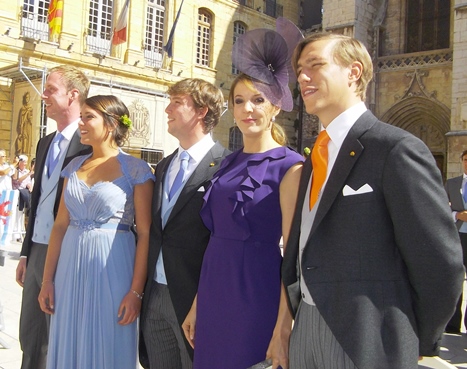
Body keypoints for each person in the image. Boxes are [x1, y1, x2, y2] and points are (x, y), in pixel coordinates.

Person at [281, 32, 465, 369]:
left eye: (315, 65)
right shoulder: (314, 158)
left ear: (353, 73)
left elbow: (440, 261)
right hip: (306, 329)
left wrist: (413, 339)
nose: (302, 77)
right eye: (299, 69)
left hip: (365, 340)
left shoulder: (395, 149)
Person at [182, 24, 304, 369]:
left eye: (258, 100)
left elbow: (293, 255)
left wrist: (283, 327)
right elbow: (214, 242)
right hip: (214, 291)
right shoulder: (226, 162)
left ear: (276, 106)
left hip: (256, 295)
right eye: (239, 101)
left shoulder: (290, 166)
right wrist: (196, 303)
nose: (247, 109)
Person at [38, 95, 154, 368]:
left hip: (113, 266)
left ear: (111, 124)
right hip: (69, 268)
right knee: (69, 338)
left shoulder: (136, 169)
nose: (81, 123)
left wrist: (136, 292)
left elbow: (146, 233)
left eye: (89, 117)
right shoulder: (73, 167)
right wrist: (47, 281)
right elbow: (60, 225)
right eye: (82, 117)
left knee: (108, 341)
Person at [139, 78, 229, 369]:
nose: (167, 108)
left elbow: (223, 242)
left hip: (194, 300)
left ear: (201, 112)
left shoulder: (226, 166)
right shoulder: (165, 165)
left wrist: (203, 301)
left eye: (177, 102)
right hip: (155, 296)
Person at [15, 65, 92, 369]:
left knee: (58, 334)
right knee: (31, 334)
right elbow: (36, 202)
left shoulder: (88, 143)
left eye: (51, 89)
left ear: (73, 95)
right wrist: (25, 253)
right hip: (36, 251)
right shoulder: (45, 142)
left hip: (67, 251)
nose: (43, 94)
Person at [444, 149, 467, 334]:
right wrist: (456, 215)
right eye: (466, 159)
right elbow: (441, 208)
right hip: (457, 237)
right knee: (455, 279)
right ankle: (453, 324)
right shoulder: (452, 184)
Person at [12, 154, 33, 242]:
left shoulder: (26, 171)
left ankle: (19, 234)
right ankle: (15, 234)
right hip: (17, 194)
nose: (25, 164)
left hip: (24, 194)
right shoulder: (16, 171)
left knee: (22, 214)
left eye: (26, 162)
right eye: (24, 162)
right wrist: (29, 174)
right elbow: (17, 180)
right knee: (16, 214)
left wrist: (31, 187)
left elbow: (27, 182)